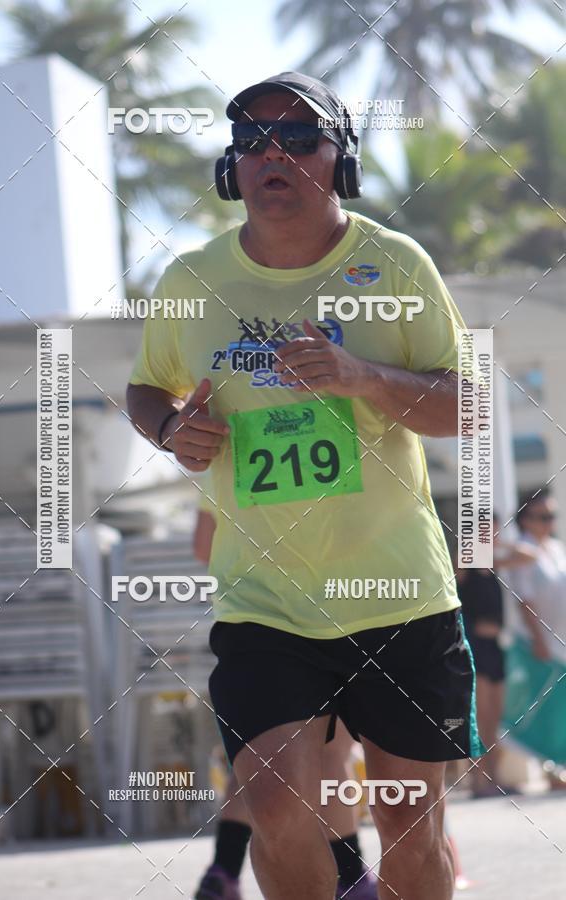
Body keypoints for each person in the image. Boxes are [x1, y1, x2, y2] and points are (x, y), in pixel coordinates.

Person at [127, 71, 484, 900]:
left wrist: (360, 374)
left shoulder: (396, 265)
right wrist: (173, 430)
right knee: (278, 806)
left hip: (400, 600)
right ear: (231, 168)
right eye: (251, 140)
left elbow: (469, 406)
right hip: (266, 606)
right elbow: (149, 389)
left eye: (297, 136)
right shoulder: (190, 282)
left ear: (340, 159)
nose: (271, 154)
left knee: (409, 824)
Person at [193, 491, 377, 899]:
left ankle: (222, 870)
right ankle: (352, 876)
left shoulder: (224, 438)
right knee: (332, 753)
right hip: (332, 616)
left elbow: (203, 545)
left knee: (261, 765)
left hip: (255, 619)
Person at [455, 515, 537, 797]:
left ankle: (493, 777)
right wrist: (478, 544)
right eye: (485, 530)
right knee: (479, 716)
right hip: (474, 646)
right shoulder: (468, 563)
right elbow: (458, 565)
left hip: (495, 647)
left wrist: (499, 545)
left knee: (495, 719)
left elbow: (528, 556)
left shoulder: (494, 564)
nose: (491, 534)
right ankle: (478, 781)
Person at [506, 490, 566, 786]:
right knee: (541, 711)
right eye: (543, 517)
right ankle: (550, 769)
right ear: (526, 519)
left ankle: (557, 767)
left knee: (558, 710)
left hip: (561, 642)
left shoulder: (555, 547)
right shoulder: (523, 550)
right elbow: (524, 600)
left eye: (552, 516)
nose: (549, 523)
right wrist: (539, 640)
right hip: (537, 644)